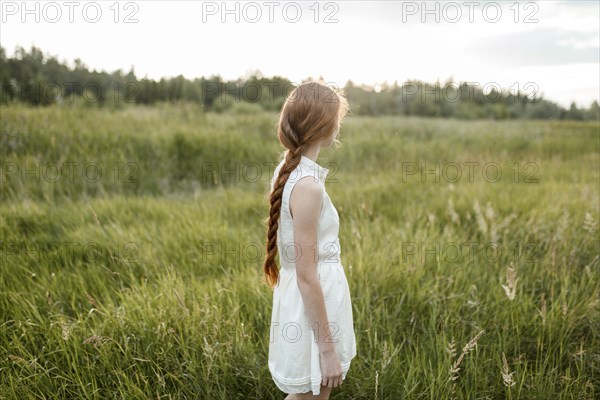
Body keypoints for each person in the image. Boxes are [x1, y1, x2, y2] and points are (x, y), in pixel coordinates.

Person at [263, 81, 357, 399]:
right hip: (314, 302)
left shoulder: (289, 169)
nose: (338, 126)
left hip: (308, 298)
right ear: (324, 126)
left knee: (311, 394)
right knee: (314, 394)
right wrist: (327, 349)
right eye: (337, 119)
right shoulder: (307, 185)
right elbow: (306, 275)